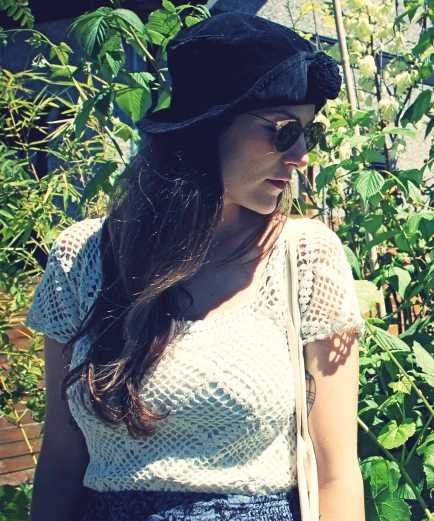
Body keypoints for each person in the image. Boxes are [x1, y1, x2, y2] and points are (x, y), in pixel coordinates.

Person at [24, 12, 366, 521]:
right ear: (207, 128)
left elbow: (337, 472)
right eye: (283, 130)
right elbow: (58, 460)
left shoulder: (306, 256)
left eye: (308, 133)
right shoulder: (84, 258)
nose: (299, 155)